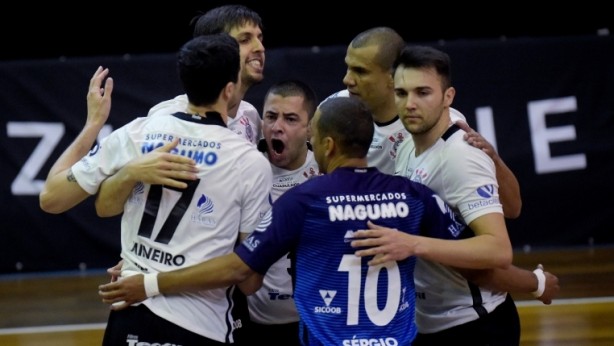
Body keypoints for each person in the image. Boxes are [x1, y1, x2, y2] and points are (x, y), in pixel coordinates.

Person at [98, 96, 517, 345]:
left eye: (312, 133)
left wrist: (150, 280)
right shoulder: (413, 195)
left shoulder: (304, 200)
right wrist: (534, 282)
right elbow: (479, 261)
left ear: (328, 144)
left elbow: (242, 270)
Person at [45, 34, 273, 345]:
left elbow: (52, 198)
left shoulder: (140, 132)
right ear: (230, 88)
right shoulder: (249, 161)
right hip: (200, 325)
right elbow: (248, 278)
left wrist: (94, 125)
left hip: (130, 314)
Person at [326, 27, 558, 304]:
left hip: (463, 308)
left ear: (390, 76)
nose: (347, 80)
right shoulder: (354, 119)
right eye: (348, 68)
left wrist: (533, 282)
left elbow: (507, 218)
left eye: (360, 71)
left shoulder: (449, 136)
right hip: (410, 293)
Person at [245, 79, 319, 344]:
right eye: (271, 117)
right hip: (255, 321)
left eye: (290, 119)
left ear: (310, 128)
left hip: (315, 321)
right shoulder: (244, 170)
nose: (277, 127)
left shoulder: (327, 171)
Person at [147, 4, 265, 145]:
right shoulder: (167, 118)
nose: (260, 48)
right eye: (245, 40)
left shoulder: (251, 116)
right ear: (214, 50)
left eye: (260, 38)